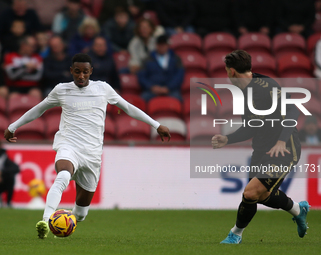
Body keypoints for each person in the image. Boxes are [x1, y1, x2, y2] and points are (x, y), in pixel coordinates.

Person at [4, 53, 171, 239]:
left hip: (92, 154)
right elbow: (39, 109)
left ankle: (67, 221)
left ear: (91, 71)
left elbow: (128, 107)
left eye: (85, 72)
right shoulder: (61, 90)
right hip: (69, 146)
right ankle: (45, 220)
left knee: (81, 214)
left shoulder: (103, 89)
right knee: (63, 175)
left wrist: (156, 125)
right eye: (77, 72)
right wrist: (13, 126)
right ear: (71, 71)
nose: (81, 76)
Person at [211, 50, 309, 244]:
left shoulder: (267, 87)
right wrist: (227, 139)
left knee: (250, 193)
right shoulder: (242, 93)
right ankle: (298, 209)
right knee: (261, 196)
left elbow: (292, 110)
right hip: (262, 149)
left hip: (284, 149)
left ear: (231, 72)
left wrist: (281, 140)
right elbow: (250, 126)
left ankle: (235, 234)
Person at [137, 35, 184, 101]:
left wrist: (168, 88)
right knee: (142, 100)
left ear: (168, 45)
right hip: (152, 90)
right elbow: (141, 76)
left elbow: (179, 75)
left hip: (171, 90)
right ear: (156, 45)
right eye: (160, 45)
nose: (162, 47)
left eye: (164, 45)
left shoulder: (176, 58)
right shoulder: (147, 59)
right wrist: (151, 87)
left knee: (179, 100)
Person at [0, 141, 20, 208]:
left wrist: (2, 173)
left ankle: (8, 202)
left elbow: (16, 168)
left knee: (11, 178)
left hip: (3, 181)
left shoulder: (3, 155)